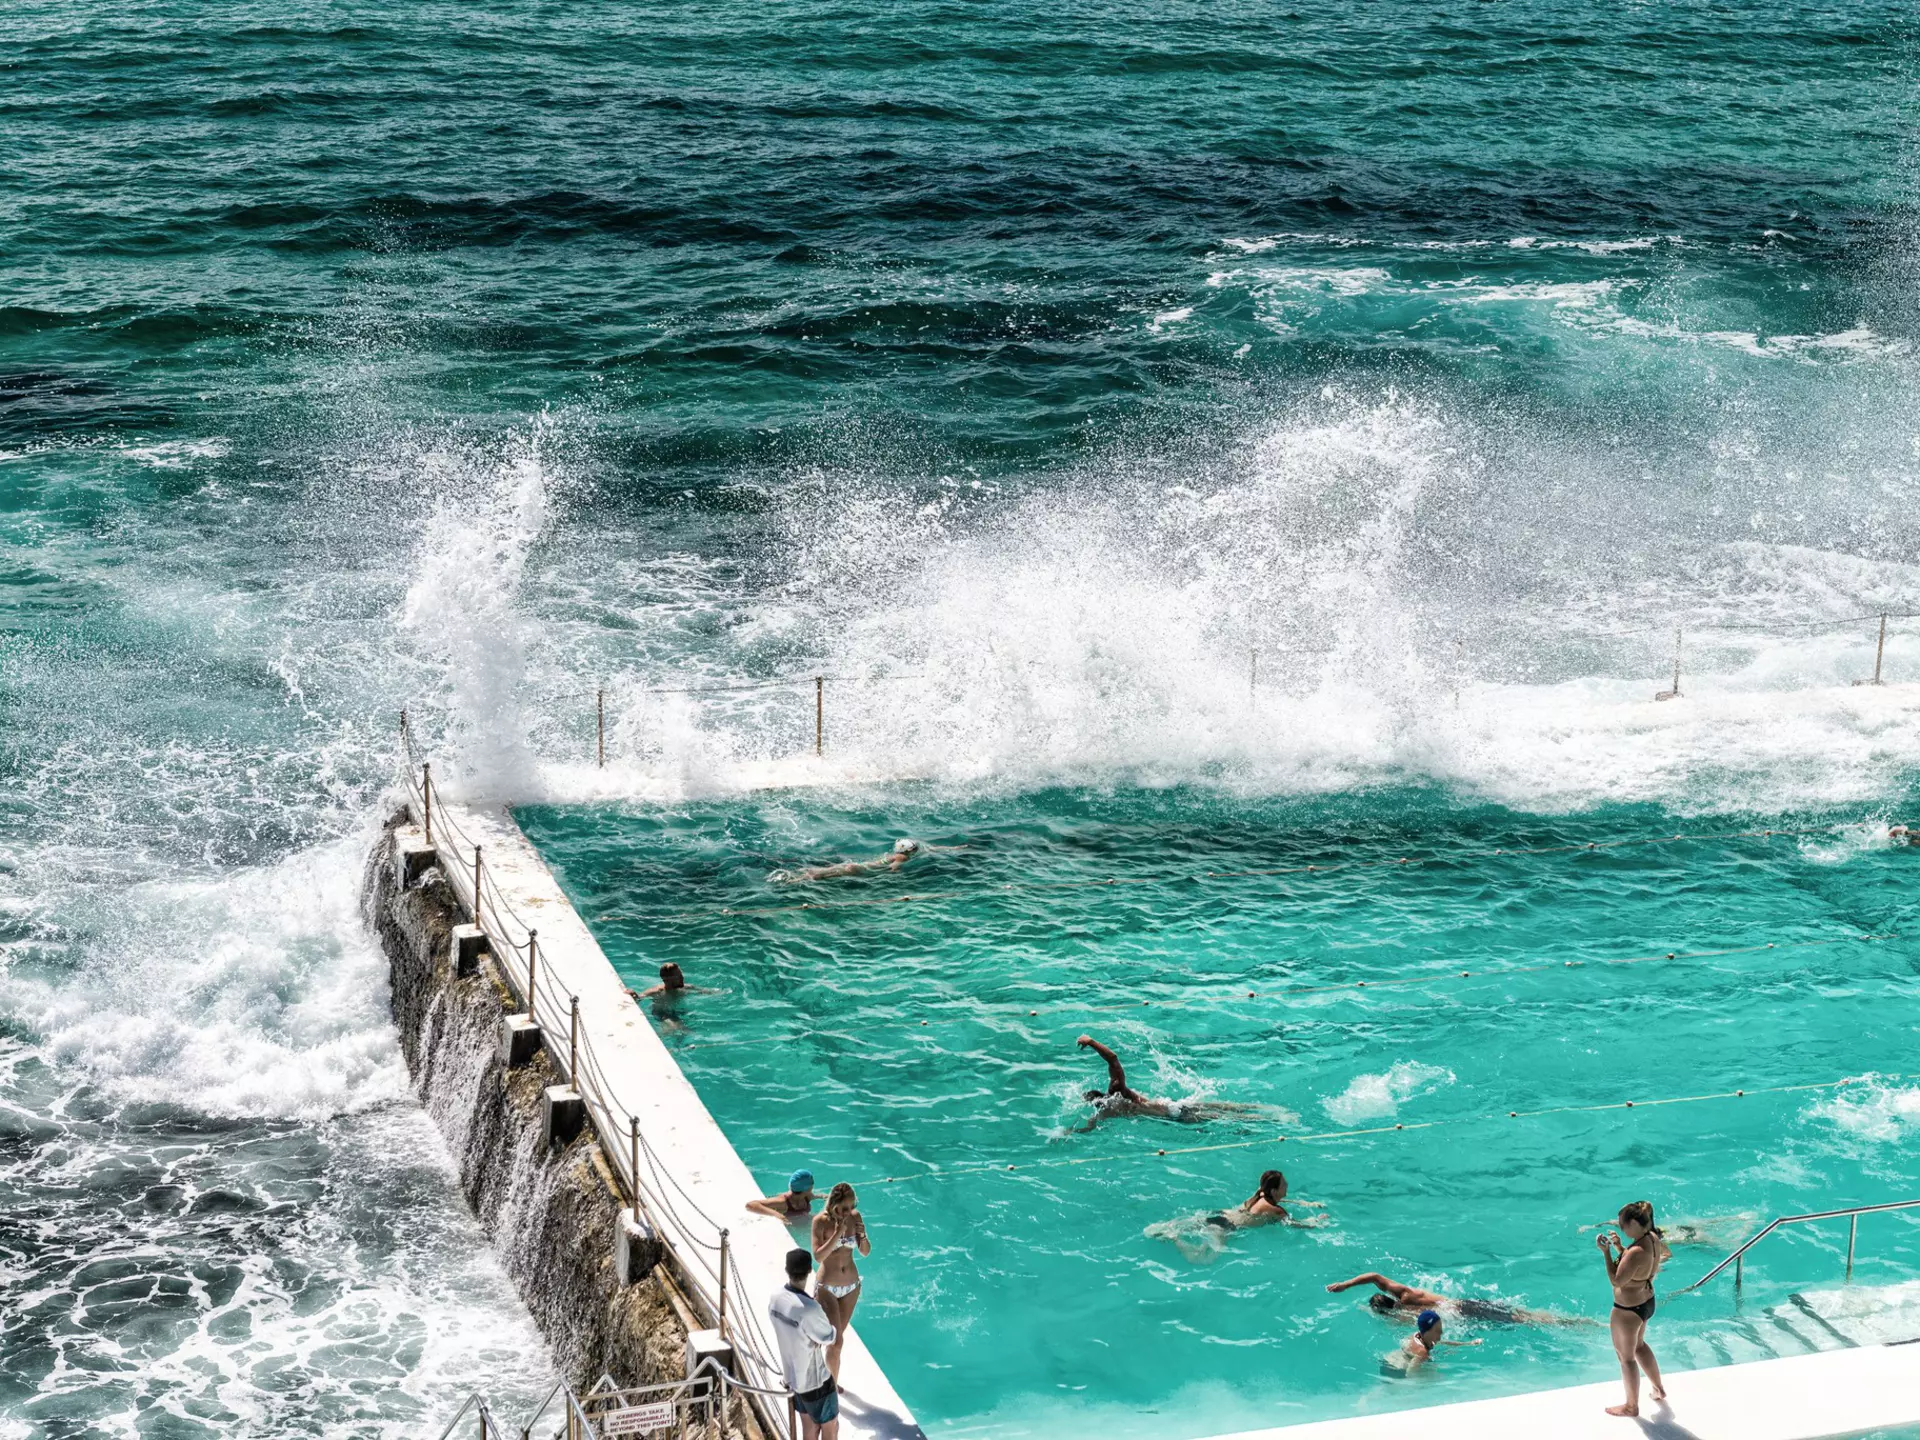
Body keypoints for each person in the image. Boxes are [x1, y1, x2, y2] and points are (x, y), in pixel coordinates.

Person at [1073, 1035, 1274, 1127]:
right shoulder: (1119, 1094)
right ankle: (1266, 1109)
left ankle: (1269, 1119)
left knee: (1227, 1118)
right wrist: (1091, 1043)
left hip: (1176, 1118)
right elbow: (1113, 1060)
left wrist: (1067, 1133)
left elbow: (1089, 1127)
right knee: (1228, 1108)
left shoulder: (1110, 1107)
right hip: (1175, 1106)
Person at [1598, 1200, 1671, 1417]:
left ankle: (1631, 1406)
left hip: (1627, 1310)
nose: (1622, 1228)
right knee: (1639, 1345)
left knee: (1626, 1357)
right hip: (1646, 1302)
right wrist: (1621, 1248)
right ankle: (1658, 1388)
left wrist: (1605, 1253)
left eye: (1623, 1224)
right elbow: (1638, 1266)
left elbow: (1616, 1280)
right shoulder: (1653, 1239)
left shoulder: (1635, 1251)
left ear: (1633, 1223)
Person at [1329, 1271, 1588, 1326]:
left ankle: (1572, 1322)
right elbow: (1375, 1276)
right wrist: (1346, 1284)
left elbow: (1376, 1277)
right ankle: (1571, 1321)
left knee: (1524, 1320)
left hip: (1465, 1312)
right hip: (1464, 1305)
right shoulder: (1405, 1297)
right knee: (1522, 1315)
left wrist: (1346, 1287)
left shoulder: (1406, 1307)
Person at [769, 1247, 839, 1440]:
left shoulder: (775, 1299)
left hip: (792, 1378)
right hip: (816, 1383)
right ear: (810, 1270)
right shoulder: (809, 1308)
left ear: (787, 1270)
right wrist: (830, 1305)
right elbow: (830, 1337)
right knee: (830, 1427)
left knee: (808, 1427)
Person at [811, 1182, 870, 1381]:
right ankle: (830, 1387)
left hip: (851, 1287)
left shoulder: (855, 1217)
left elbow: (865, 1252)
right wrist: (837, 1233)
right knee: (835, 1341)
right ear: (833, 1203)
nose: (849, 1211)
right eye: (845, 1207)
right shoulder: (820, 1222)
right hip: (827, 1287)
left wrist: (861, 1234)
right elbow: (818, 1257)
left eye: (852, 1206)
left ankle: (831, 1383)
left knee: (836, 1341)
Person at [1396, 1309, 1482, 1371]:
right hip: (1396, 1370)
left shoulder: (1419, 1335)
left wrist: (1468, 1344)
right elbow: (1411, 1373)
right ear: (1426, 1332)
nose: (1441, 1332)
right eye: (1437, 1331)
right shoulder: (1422, 1352)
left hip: (1394, 1361)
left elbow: (1443, 1342)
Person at [748, 1170, 818, 1222]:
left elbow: (822, 1196)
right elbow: (751, 1205)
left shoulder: (807, 1196)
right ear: (808, 1188)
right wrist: (777, 1214)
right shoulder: (783, 1202)